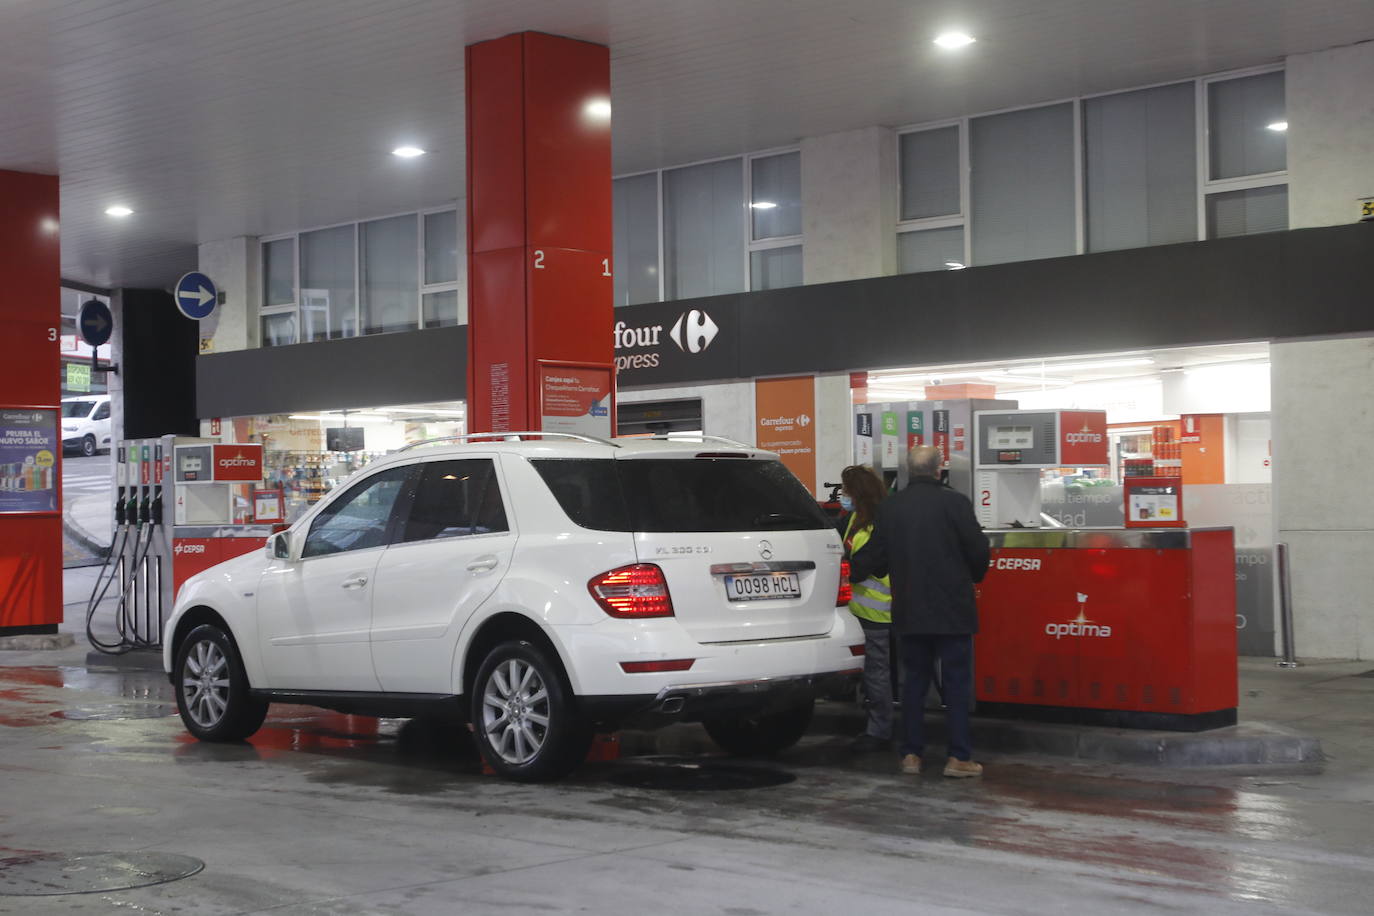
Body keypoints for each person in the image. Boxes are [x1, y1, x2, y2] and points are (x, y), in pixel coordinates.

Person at [849, 445, 990, 778]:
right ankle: (958, 758)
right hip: (952, 610)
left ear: (909, 472)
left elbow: (875, 557)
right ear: (938, 470)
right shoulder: (955, 503)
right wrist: (973, 575)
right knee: (955, 684)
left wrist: (848, 569)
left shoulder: (892, 508)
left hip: (910, 610)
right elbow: (978, 550)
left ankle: (911, 755)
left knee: (913, 683)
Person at [838, 465, 894, 753]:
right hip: (854, 612)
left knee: (877, 673)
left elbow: (860, 567)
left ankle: (879, 730)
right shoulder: (853, 520)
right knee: (869, 673)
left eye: (846, 491)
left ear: (858, 493)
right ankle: (873, 724)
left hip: (876, 613)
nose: (842, 496)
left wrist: (841, 568)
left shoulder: (880, 524)